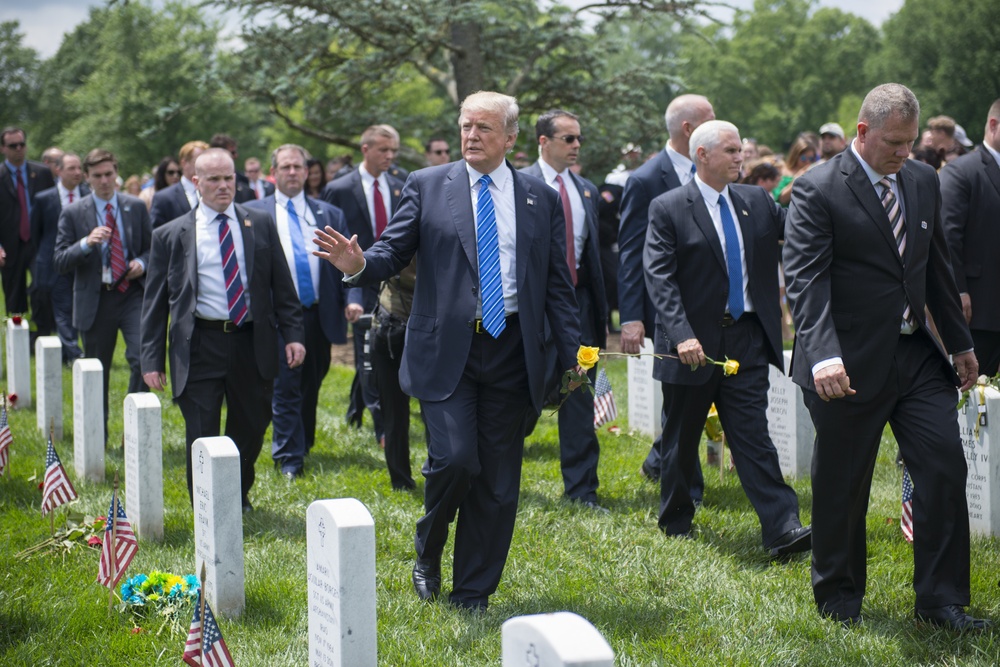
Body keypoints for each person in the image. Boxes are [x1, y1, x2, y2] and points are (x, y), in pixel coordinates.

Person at [314, 91, 581, 613]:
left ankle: (472, 592)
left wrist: (573, 356)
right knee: (456, 460)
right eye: (465, 126)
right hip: (446, 351)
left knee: (500, 484)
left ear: (510, 137)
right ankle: (429, 547)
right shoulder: (428, 185)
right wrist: (356, 265)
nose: (471, 136)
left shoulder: (537, 198)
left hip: (512, 349)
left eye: (483, 128)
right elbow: (392, 250)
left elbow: (556, 285)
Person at [783, 83, 988, 630]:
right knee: (844, 483)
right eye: (894, 142)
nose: (904, 152)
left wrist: (961, 342)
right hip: (844, 363)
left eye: (911, 141)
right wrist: (823, 354)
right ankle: (839, 599)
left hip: (916, 355)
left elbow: (936, 266)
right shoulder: (818, 189)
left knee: (944, 464)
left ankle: (941, 602)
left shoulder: (922, 179)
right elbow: (805, 280)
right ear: (863, 132)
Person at [644, 120, 810, 554]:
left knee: (753, 435)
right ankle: (676, 518)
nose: (742, 157)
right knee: (681, 439)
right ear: (702, 155)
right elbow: (659, 278)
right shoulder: (668, 207)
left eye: (742, 150)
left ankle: (782, 527)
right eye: (732, 150)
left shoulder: (755, 200)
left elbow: (797, 231)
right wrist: (681, 335)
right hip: (690, 347)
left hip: (746, 340)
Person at [140, 148, 304, 512]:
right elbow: (154, 302)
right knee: (202, 429)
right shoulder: (172, 234)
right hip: (199, 343)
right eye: (213, 179)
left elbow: (282, 284)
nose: (223, 186)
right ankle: (206, 503)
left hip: (250, 340)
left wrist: (293, 334)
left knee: (252, 422)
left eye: (229, 178)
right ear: (196, 182)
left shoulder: (259, 223)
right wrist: (151, 358)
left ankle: (237, 493)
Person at [618, 94, 715, 489]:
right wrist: (631, 315)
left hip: (708, 305)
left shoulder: (715, 169)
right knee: (679, 397)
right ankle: (685, 487)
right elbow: (630, 250)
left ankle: (660, 461)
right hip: (666, 308)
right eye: (711, 117)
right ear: (689, 129)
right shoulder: (645, 178)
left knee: (689, 399)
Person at [521, 109, 608, 509]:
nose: (576, 146)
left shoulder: (586, 190)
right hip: (531, 311)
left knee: (579, 396)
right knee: (522, 397)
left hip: (579, 308)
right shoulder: (519, 185)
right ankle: (491, 477)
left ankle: (582, 489)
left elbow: (594, 256)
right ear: (544, 141)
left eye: (579, 139)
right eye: (568, 139)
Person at [245, 145, 348, 478]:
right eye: (285, 167)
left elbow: (348, 262)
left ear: (307, 171)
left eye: (298, 167)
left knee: (312, 381)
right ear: (273, 171)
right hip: (276, 316)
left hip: (319, 312)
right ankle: (288, 457)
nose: (292, 172)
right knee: (285, 384)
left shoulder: (329, 214)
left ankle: (302, 442)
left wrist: (354, 298)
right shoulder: (251, 213)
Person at [53, 149, 151, 438]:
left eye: (109, 174)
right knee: (98, 370)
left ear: (116, 172)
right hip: (96, 298)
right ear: (86, 177)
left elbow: (151, 248)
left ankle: (134, 432)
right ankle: (98, 435)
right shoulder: (73, 212)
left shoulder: (134, 205)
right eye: (97, 176)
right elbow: (59, 260)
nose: (105, 181)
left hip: (131, 293)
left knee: (142, 358)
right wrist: (85, 243)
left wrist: (141, 263)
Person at [321, 125, 404, 445]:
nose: (390, 156)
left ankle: (357, 408)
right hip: (358, 284)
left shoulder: (402, 184)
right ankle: (382, 425)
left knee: (383, 352)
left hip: (397, 284)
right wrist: (347, 294)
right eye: (384, 150)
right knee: (368, 353)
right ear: (365, 149)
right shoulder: (341, 189)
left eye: (394, 151)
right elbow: (330, 245)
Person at [941, 98, 1000, 376]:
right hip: (980, 308)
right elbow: (948, 237)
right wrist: (959, 290)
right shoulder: (962, 171)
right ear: (993, 125)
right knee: (975, 393)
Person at [31, 152, 88, 363]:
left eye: (79, 168)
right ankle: (72, 352)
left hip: (83, 262)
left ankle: (75, 348)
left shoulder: (88, 194)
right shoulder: (44, 198)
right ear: (58, 170)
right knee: (63, 310)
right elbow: (36, 234)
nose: (77, 172)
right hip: (57, 265)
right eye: (71, 168)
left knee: (80, 308)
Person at [0, 126, 55, 314]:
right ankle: (17, 333)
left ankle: (41, 331)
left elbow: (53, 208)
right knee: (14, 295)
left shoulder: (42, 173)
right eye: (12, 145)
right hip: (9, 245)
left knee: (43, 287)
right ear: (3, 148)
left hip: (38, 242)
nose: (18, 149)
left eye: (21, 144)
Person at [150, 141, 208, 228]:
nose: (205, 166)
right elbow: (158, 234)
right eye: (200, 161)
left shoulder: (215, 193)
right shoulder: (164, 198)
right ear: (184, 163)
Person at [772, 135, 818, 207]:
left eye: (811, 158)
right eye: (803, 158)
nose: (807, 162)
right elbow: (782, 199)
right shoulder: (782, 170)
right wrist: (798, 177)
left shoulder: (813, 172)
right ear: (795, 155)